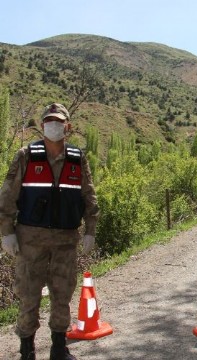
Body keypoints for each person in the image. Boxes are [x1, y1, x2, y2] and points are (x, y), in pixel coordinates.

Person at [0, 103, 99, 360]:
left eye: (58, 121)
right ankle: (27, 351)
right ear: (42, 125)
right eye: (49, 121)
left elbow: (89, 196)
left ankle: (58, 349)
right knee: (28, 296)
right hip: (30, 241)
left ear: (68, 126)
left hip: (65, 241)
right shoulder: (26, 155)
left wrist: (91, 230)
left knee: (62, 294)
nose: (53, 125)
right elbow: (8, 196)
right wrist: (6, 231)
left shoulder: (78, 159)